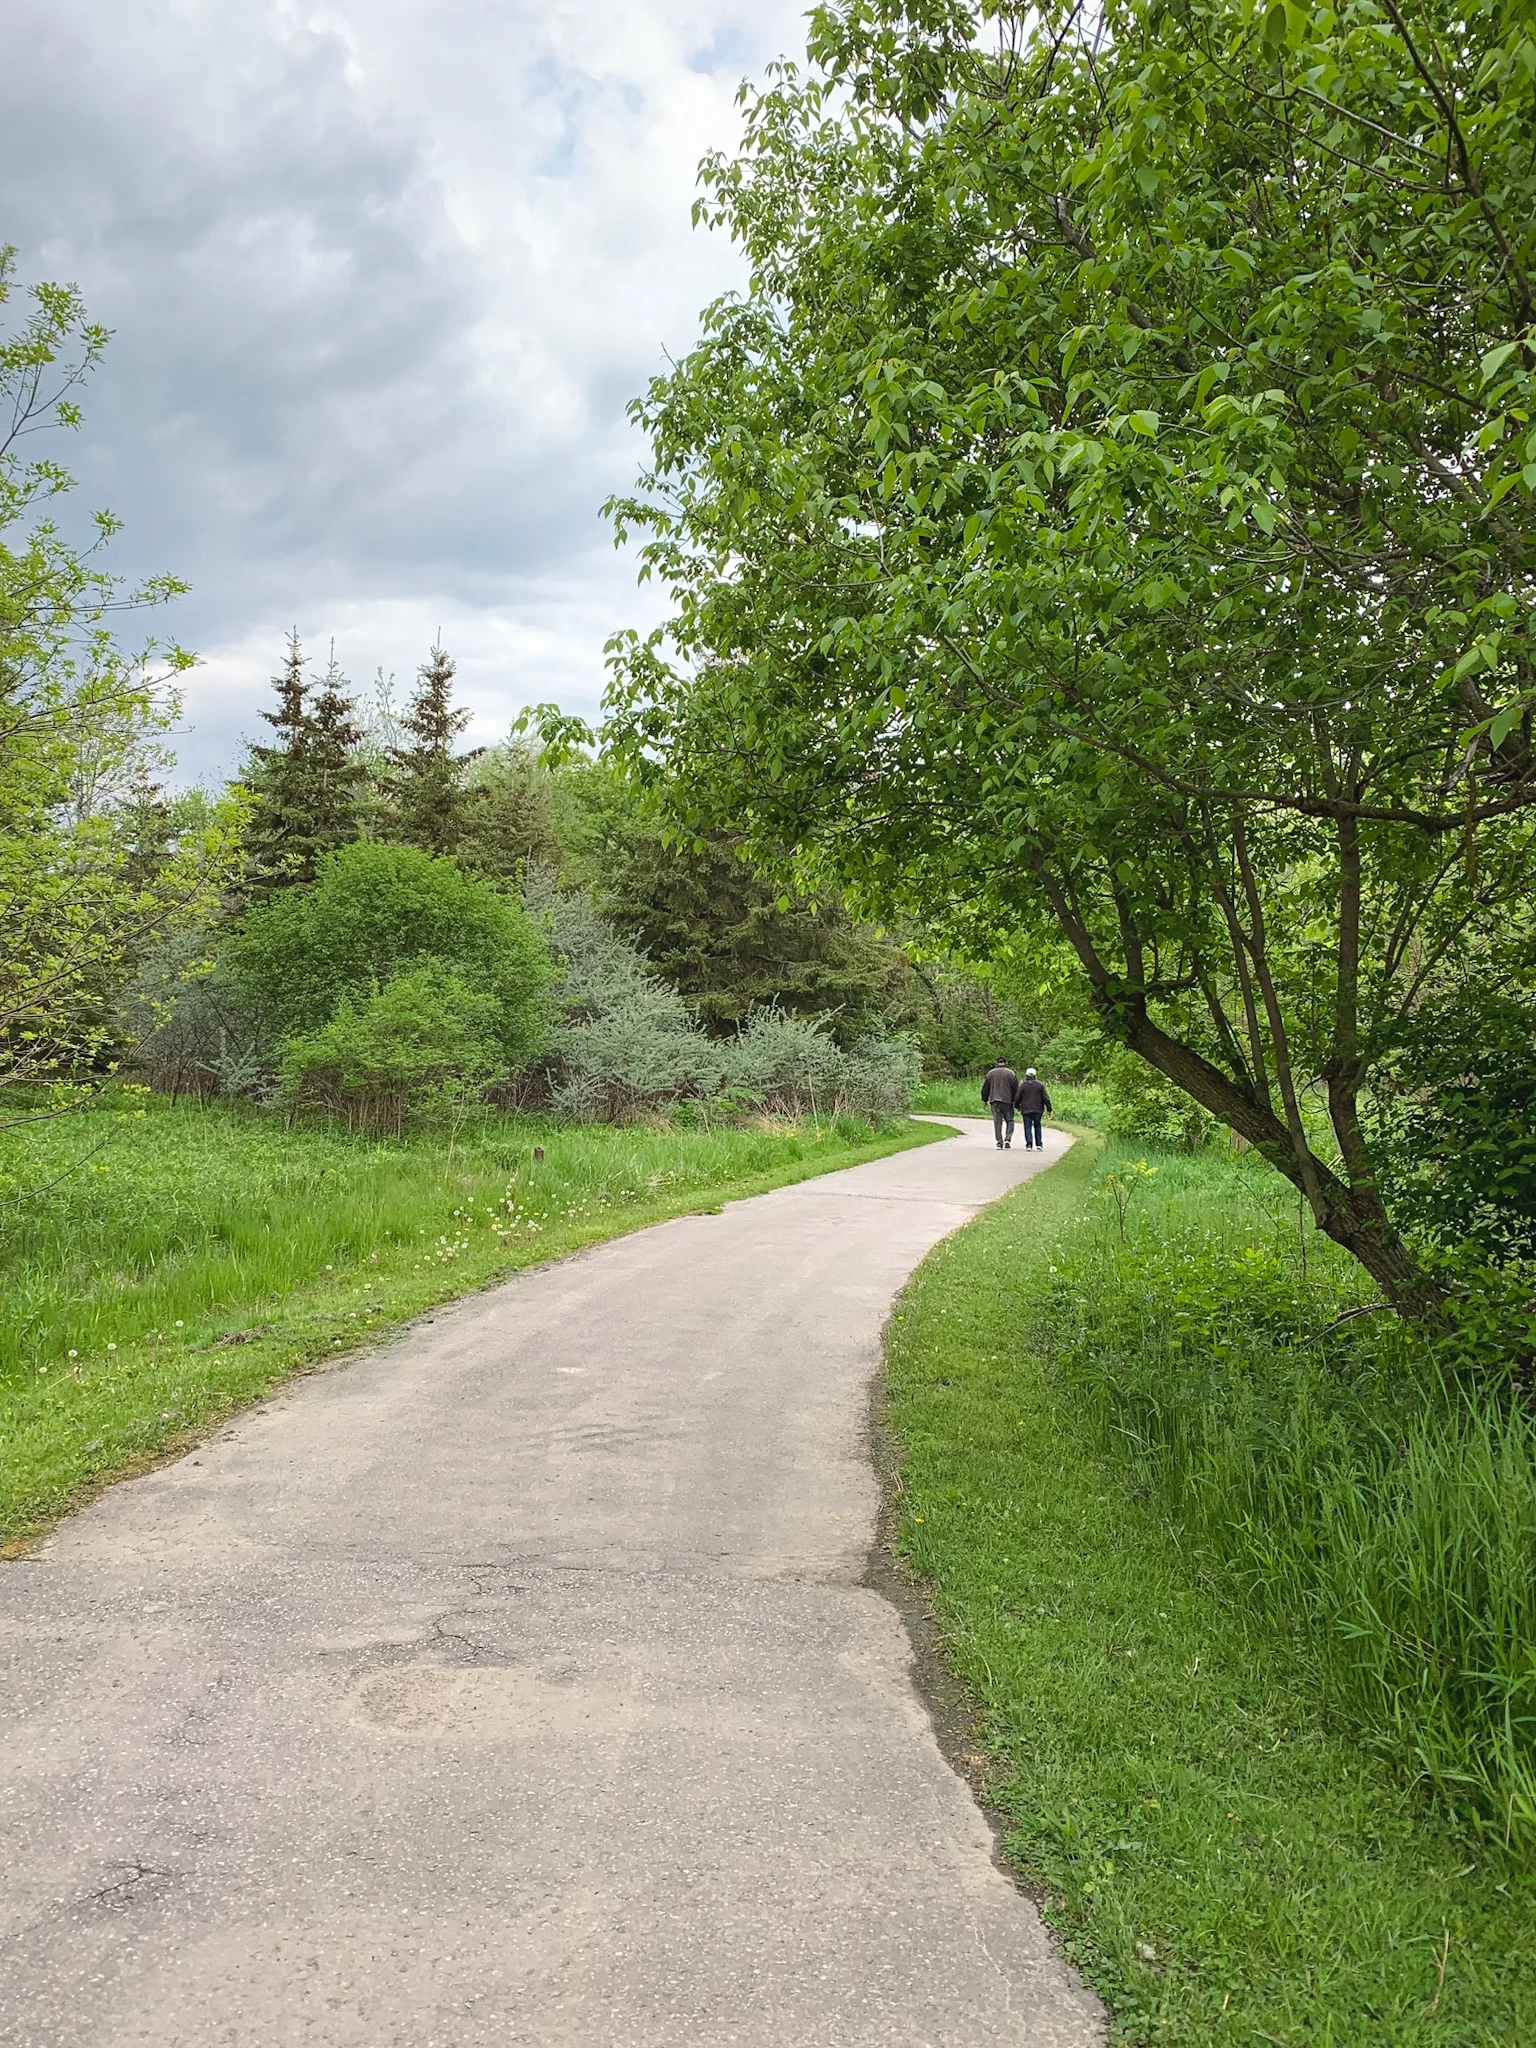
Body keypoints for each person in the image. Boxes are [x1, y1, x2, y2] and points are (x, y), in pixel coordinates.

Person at [980, 1056, 1023, 1149]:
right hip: (1007, 1101)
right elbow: (1016, 1089)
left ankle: (999, 1142)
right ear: (1006, 1063)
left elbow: (985, 1088)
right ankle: (1008, 1139)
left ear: (997, 1063)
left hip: (994, 1100)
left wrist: (984, 1100)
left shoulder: (990, 1074)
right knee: (1010, 1120)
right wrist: (1017, 1102)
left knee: (997, 1122)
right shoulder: (1011, 1074)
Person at [1016, 1067, 1052, 1150]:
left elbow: (1017, 1097)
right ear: (1035, 1075)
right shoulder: (1040, 1085)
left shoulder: (1023, 1085)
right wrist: (1049, 1108)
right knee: (1037, 1126)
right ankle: (1039, 1144)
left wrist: (1017, 1106)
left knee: (1027, 1126)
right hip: (1038, 1109)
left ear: (1026, 1075)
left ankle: (1029, 1144)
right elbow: (1045, 1098)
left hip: (1025, 1109)